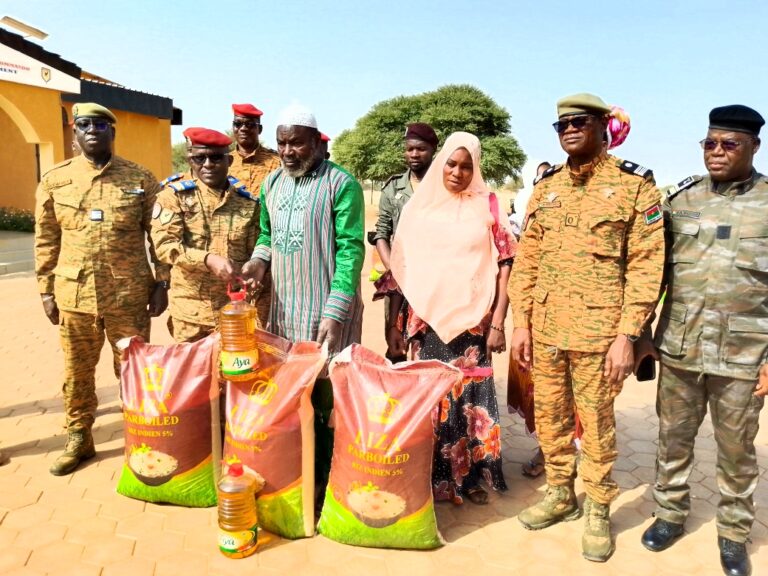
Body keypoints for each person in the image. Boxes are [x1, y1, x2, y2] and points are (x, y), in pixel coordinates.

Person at [509, 93, 664, 562]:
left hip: (600, 335)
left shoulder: (634, 185)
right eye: (561, 126)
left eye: (579, 122)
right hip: (548, 328)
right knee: (550, 416)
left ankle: (597, 505)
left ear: (602, 126)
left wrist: (628, 335)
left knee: (596, 424)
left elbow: (646, 266)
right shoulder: (547, 186)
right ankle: (561, 492)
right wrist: (521, 323)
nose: (569, 131)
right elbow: (527, 259)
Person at [637, 105, 767, 576]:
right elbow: (652, 272)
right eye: (709, 143)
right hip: (679, 347)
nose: (716, 152)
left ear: (754, 145)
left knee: (737, 452)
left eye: (728, 144)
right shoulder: (682, 201)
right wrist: (643, 335)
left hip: (745, 355)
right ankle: (669, 514)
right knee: (673, 440)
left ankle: (733, 533)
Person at [34, 102, 170, 476]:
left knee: (134, 369)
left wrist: (162, 282)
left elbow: (158, 236)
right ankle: (79, 435)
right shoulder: (55, 179)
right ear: (75, 133)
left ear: (113, 132)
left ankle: (140, 433)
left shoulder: (140, 178)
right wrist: (46, 291)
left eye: (101, 125)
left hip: (128, 296)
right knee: (77, 370)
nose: (92, 130)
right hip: (74, 296)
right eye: (84, 124)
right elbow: (46, 239)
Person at [241, 104, 365, 505]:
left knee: (327, 402)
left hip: (326, 313)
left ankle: (327, 482)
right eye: (281, 143)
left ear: (315, 142)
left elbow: (349, 249)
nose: (288, 151)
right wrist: (259, 261)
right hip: (283, 313)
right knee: (290, 399)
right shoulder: (272, 184)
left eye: (296, 142)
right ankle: (293, 472)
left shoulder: (341, 184)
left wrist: (335, 309)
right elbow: (266, 234)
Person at [384, 131, 516, 505]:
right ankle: (431, 478)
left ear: (476, 168)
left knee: (469, 399)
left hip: (474, 322)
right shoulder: (419, 208)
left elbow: (506, 265)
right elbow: (400, 268)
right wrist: (396, 326)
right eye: (451, 164)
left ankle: (469, 479)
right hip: (427, 321)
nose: (457, 172)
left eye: (466, 166)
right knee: (431, 396)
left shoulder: (487, 205)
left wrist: (498, 322)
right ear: (441, 163)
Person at [151, 127, 260, 343]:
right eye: (200, 158)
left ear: (229, 161)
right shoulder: (173, 198)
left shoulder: (248, 203)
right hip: (190, 315)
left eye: (216, 158)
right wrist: (207, 259)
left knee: (234, 373)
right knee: (192, 375)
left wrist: (253, 271)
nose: (208, 165)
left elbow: (254, 250)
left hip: (234, 312)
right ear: (190, 160)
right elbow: (165, 246)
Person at [371, 123, 438, 361]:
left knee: (430, 345)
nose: (414, 154)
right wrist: (394, 269)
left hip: (434, 280)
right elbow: (381, 232)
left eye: (421, 149)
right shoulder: (393, 188)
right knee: (396, 345)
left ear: (434, 150)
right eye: (409, 149)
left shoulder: (444, 185)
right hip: (399, 281)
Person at [227, 103, 281, 328]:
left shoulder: (276, 163)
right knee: (233, 324)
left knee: (267, 325)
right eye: (238, 124)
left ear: (259, 129)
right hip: (232, 255)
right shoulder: (223, 163)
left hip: (269, 256)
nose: (243, 129)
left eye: (250, 125)